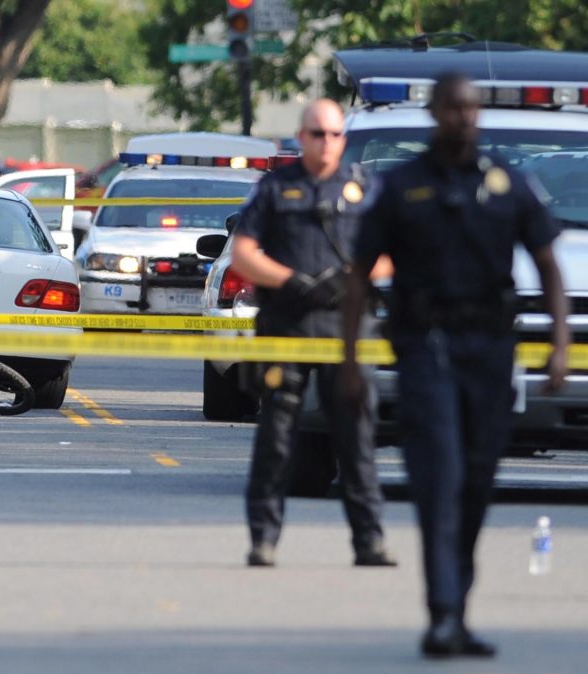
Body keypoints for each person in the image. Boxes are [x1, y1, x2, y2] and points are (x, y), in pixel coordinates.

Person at [341, 73, 569, 657]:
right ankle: (442, 613)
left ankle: (457, 611)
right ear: (436, 112)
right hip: (426, 348)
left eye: (471, 108)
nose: (463, 117)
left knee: (474, 483)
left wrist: (561, 343)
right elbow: (359, 275)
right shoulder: (401, 186)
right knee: (438, 478)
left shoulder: (505, 182)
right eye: (453, 107)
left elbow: (547, 262)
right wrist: (348, 361)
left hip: (490, 352)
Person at [231, 99, 397, 568]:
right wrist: (289, 280)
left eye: (334, 134)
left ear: (343, 139)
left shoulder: (364, 189)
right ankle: (263, 539)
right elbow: (244, 252)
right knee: (277, 440)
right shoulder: (274, 188)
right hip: (286, 330)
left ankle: (370, 541)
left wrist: (353, 277)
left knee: (356, 440)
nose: (326, 143)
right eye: (317, 134)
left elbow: (396, 253)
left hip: (345, 334)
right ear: (301, 137)